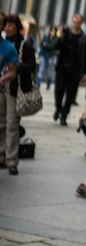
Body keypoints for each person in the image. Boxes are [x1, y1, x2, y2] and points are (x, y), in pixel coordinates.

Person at [3, 13, 37, 175]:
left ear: (17, 27)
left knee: (11, 123)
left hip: (13, 87)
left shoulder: (23, 45)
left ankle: (11, 160)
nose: (8, 28)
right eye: (6, 25)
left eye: (11, 25)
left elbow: (31, 66)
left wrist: (15, 67)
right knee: (1, 124)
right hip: (2, 86)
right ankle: (2, 154)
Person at [54, 13, 86, 126]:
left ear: (81, 24)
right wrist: (59, 37)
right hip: (62, 68)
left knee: (70, 94)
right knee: (58, 91)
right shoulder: (65, 34)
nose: (75, 24)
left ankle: (64, 115)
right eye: (74, 22)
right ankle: (58, 108)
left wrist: (85, 72)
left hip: (75, 70)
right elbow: (55, 47)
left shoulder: (85, 38)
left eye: (78, 23)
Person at [0, 11, 20, 175]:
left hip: (5, 89)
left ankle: (11, 160)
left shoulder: (9, 48)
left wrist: (5, 77)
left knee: (9, 124)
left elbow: (13, 71)